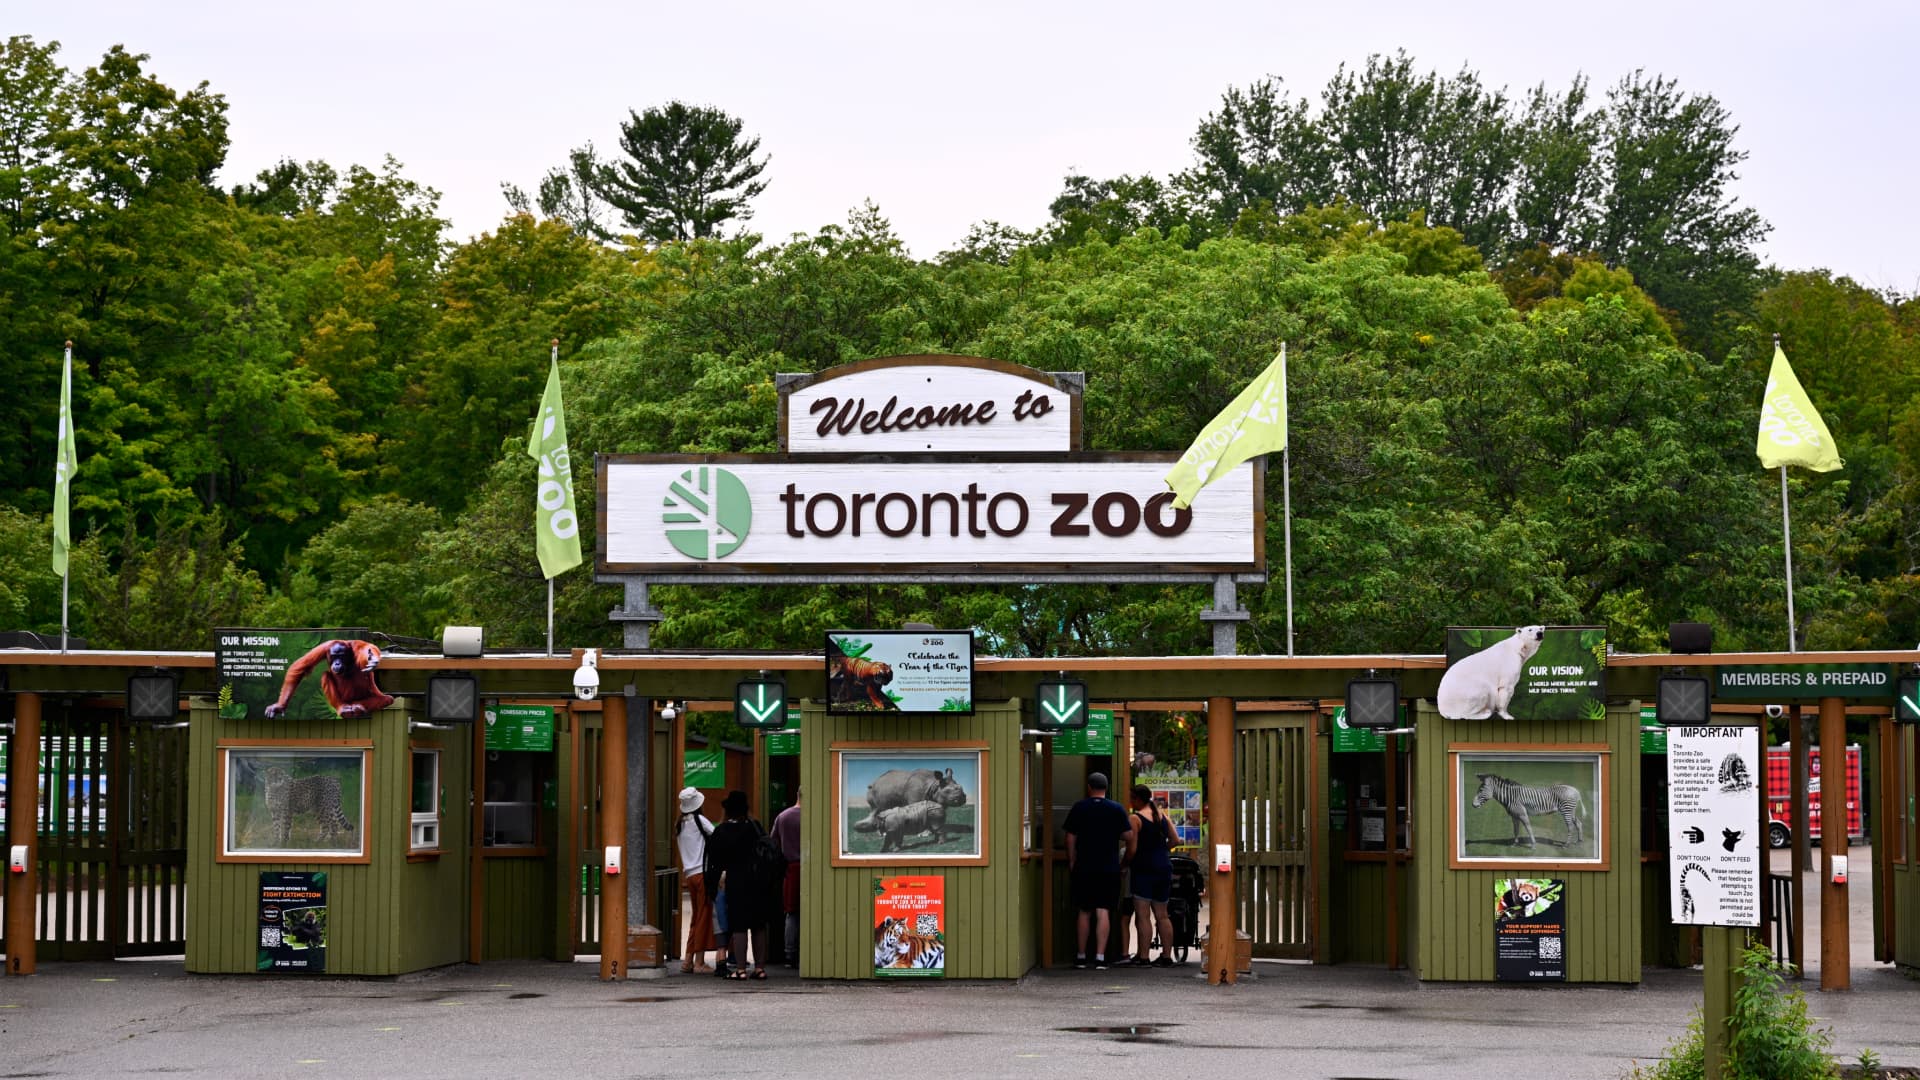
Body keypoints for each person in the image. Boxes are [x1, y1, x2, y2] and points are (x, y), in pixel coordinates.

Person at [1063, 771, 1134, 970]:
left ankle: (1081, 956)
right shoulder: (1116, 809)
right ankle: (1101, 957)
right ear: (1106, 788)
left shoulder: (1079, 807)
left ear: (1089, 787)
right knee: (1103, 911)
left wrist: (1072, 860)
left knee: (1084, 911)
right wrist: (1124, 857)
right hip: (1109, 867)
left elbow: (1070, 837)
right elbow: (1129, 836)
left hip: (1084, 867)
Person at [705, 790, 772, 980]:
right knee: (758, 926)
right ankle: (760, 968)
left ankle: (740, 969)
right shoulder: (755, 827)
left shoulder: (722, 831)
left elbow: (714, 861)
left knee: (739, 926)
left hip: (735, 882)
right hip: (758, 881)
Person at [1125, 784, 1178, 966]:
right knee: (1162, 915)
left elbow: (1131, 849)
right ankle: (1166, 956)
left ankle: (1144, 956)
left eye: (1132, 798)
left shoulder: (1135, 818)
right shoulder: (1161, 814)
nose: (1131, 802)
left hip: (1144, 869)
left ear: (1138, 799)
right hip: (1163, 867)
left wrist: (1124, 865)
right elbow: (1176, 840)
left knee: (1143, 915)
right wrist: (1162, 850)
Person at [673, 787, 717, 974]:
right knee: (704, 918)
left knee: (695, 918)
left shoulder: (680, 825)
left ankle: (688, 960)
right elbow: (716, 836)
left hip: (689, 875)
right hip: (703, 874)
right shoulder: (700, 821)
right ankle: (699, 962)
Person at [771, 788, 802, 966]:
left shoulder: (782, 817)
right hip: (809, 868)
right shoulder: (812, 816)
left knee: (791, 912)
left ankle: (789, 953)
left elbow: (773, 841)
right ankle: (807, 949)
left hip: (790, 869)